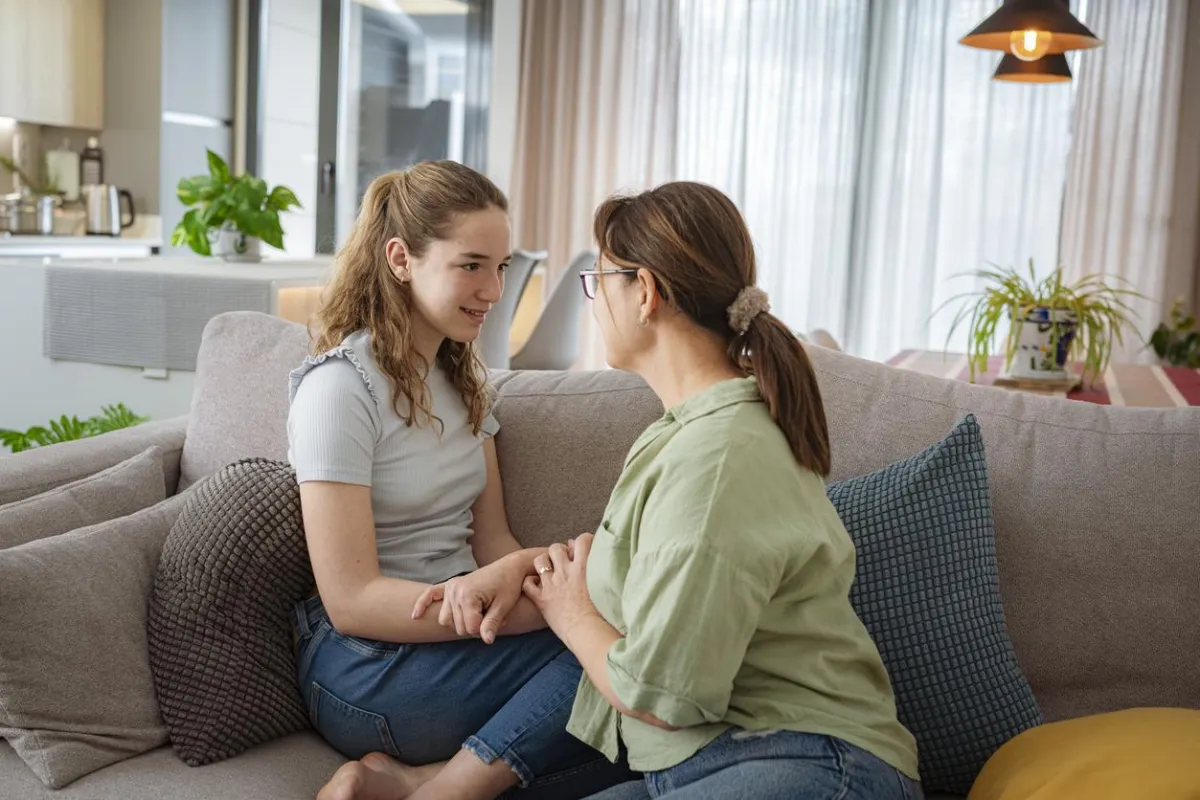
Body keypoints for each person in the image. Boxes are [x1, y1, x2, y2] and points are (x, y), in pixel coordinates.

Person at [513, 181, 925, 799]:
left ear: (645, 292)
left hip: (808, 762)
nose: (594, 304)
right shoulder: (692, 434)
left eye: (598, 282)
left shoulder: (717, 459)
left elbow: (664, 694)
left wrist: (571, 614)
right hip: (721, 760)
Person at [288, 160, 632, 800]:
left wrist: (533, 588)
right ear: (401, 259)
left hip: (453, 641)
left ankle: (413, 782)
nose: (495, 289)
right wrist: (526, 614)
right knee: (609, 665)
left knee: (645, 727)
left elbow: (492, 543)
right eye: (471, 265)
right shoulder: (338, 389)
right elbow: (351, 598)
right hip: (363, 663)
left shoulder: (463, 382)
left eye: (501, 267)